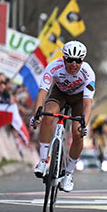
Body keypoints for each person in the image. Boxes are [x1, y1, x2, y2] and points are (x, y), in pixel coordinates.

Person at [30, 41, 95, 192]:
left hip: (79, 99)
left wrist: (84, 124)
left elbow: (87, 104)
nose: (74, 64)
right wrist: (36, 116)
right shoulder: (53, 66)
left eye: (78, 60)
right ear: (63, 59)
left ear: (82, 61)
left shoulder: (88, 73)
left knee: (77, 132)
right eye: (70, 60)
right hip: (60, 94)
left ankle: (69, 174)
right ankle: (43, 161)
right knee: (47, 116)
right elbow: (42, 93)